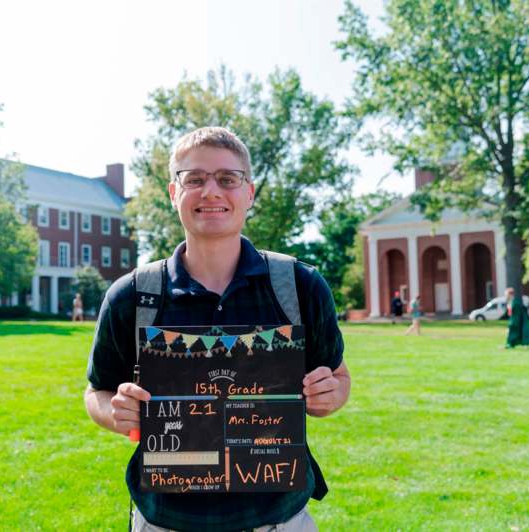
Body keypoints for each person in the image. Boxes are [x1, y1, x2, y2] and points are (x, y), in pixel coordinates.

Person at [84, 127, 351, 531]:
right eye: (194, 179)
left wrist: (331, 395)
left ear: (249, 193)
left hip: (278, 519)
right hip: (166, 520)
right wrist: (115, 411)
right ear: (174, 194)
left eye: (228, 179)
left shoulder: (300, 286)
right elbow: (97, 391)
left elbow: (339, 376)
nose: (211, 191)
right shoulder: (132, 296)